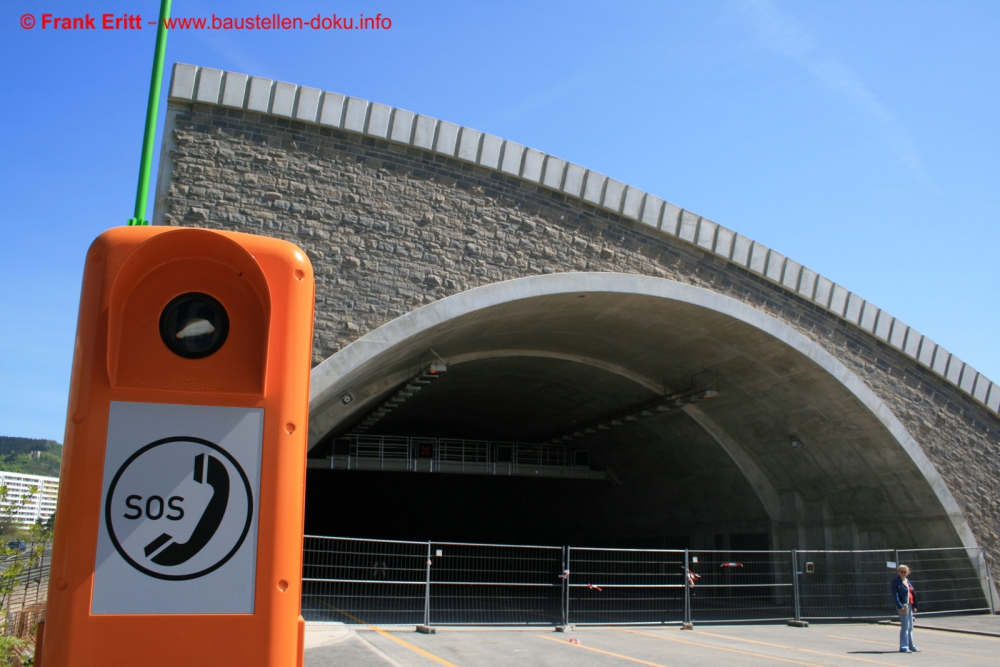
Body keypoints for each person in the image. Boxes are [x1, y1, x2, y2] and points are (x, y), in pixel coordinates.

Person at [891, 564, 919, 653]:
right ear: (898, 572)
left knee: (910, 626)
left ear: (908, 573)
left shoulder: (907, 581)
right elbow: (896, 596)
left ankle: (911, 645)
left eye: (905, 572)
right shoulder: (896, 582)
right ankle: (904, 646)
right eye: (901, 571)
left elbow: (912, 593)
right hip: (903, 606)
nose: (903, 573)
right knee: (905, 626)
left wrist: (915, 606)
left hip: (910, 605)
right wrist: (900, 606)